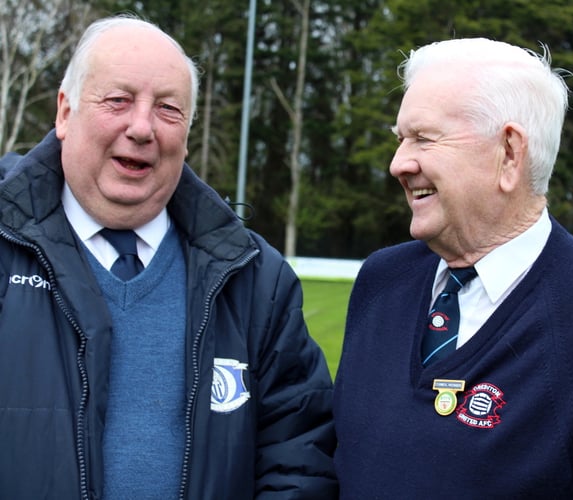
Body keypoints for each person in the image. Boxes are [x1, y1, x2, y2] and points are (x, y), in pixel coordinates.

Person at [333, 38, 573, 499]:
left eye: (423, 137)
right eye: (400, 138)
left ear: (509, 153)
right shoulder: (381, 281)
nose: (398, 163)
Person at [0, 15, 337, 499]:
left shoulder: (256, 281)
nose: (141, 127)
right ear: (65, 112)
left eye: (168, 109)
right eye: (118, 100)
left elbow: (300, 460)